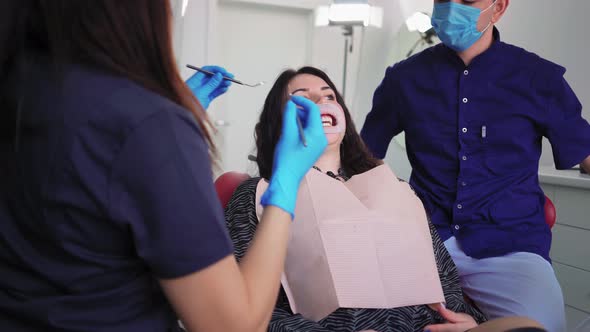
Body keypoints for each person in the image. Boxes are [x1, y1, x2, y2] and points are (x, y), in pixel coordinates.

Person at [0, 1, 327, 331]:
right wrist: (285, 181)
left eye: (328, 95)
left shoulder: (24, 92)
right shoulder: (144, 126)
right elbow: (233, 325)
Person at [225, 66, 546, 332]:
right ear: (277, 122)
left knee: (526, 325)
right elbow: (239, 305)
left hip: (428, 327)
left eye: (328, 97)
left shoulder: (397, 189)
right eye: (302, 100)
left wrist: (468, 322)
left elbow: (445, 281)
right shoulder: (260, 192)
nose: (319, 104)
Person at [360, 0, 590, 330]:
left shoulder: (539, 78)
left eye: (467, 1)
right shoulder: (403, 79)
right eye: (443, 1)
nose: (452, 10)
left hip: (511, 247)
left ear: (498, 8)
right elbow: (365, 159)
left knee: (540, 327)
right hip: (423, 242)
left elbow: (584, 151)